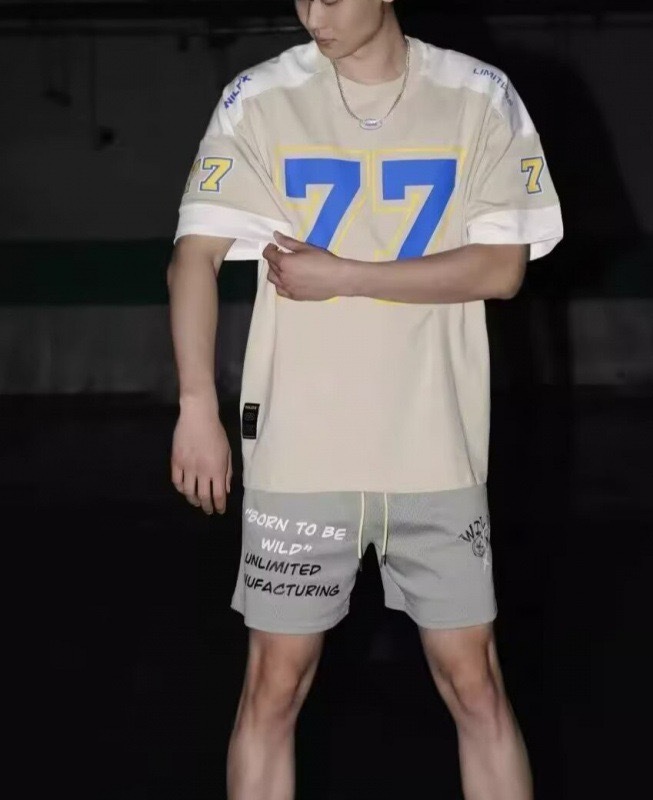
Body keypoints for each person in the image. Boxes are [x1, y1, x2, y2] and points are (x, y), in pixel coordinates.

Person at [167, 1, 562, 797]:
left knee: (475, 684)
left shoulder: (479, 95)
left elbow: (502, 270)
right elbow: (193, 259)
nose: (313, 14)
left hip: (435, 449)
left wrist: (344, 276)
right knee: (272, 687)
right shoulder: (260, 98)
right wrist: (196, 406)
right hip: (301, 455)